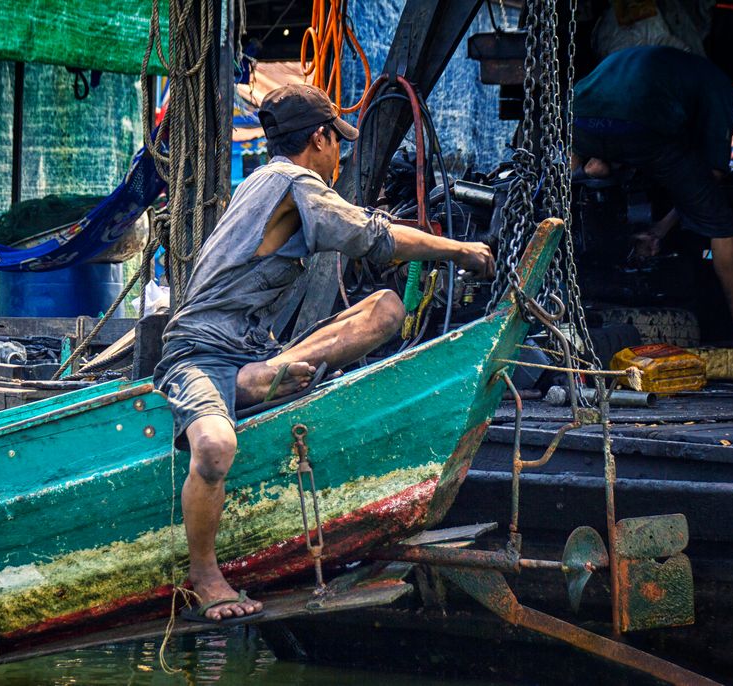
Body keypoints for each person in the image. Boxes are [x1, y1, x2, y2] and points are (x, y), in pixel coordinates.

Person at [152, 84, 495, 623]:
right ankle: (204, 576)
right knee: (216, 449)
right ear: (319, 138)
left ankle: (255, 378)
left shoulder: (269, 182)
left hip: (252, 347)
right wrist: (461, 251)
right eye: (337, 141)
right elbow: (376, 239)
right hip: (199, 353)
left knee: (384, 308)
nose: (340, 155)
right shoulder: (295, 182)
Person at [570, 46, 733, 342]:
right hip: (642, 124)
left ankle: (595, 165)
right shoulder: (720, 83)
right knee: (722, 226)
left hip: (580, 118)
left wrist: (660, 227)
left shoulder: (668, 64)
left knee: (605, 159)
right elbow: (712, 174)